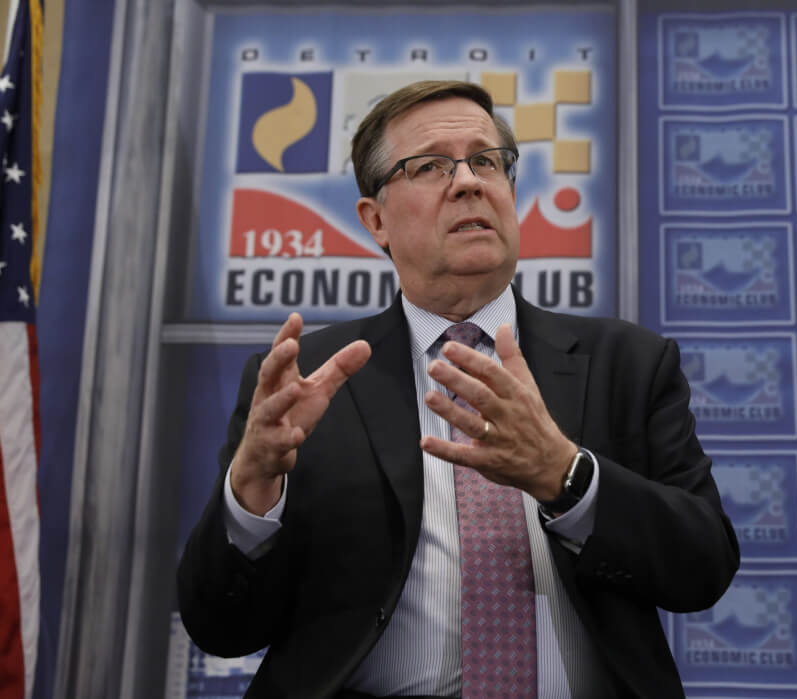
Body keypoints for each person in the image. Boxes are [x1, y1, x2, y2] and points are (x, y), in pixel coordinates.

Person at [178, 80, 739, 699]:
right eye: (430, 167)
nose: (468, 182)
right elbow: (220, 628)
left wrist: (567, 476)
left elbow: (704, 567)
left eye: (486, 161)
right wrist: (252, 493)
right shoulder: (307, 379)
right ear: (375, 220)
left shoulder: (628, 364)